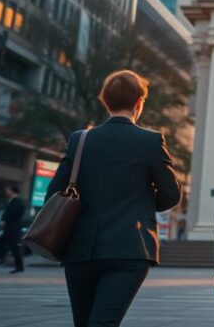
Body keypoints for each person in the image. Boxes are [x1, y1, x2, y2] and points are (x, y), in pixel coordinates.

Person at [46, 70, 181, 327]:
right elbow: (171, 194)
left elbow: (54, 193)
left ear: (105, 102)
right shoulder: (151, 141)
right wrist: (140, 205)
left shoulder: (80, 140)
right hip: (129, 249)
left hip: (80, 250)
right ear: (139, 103)